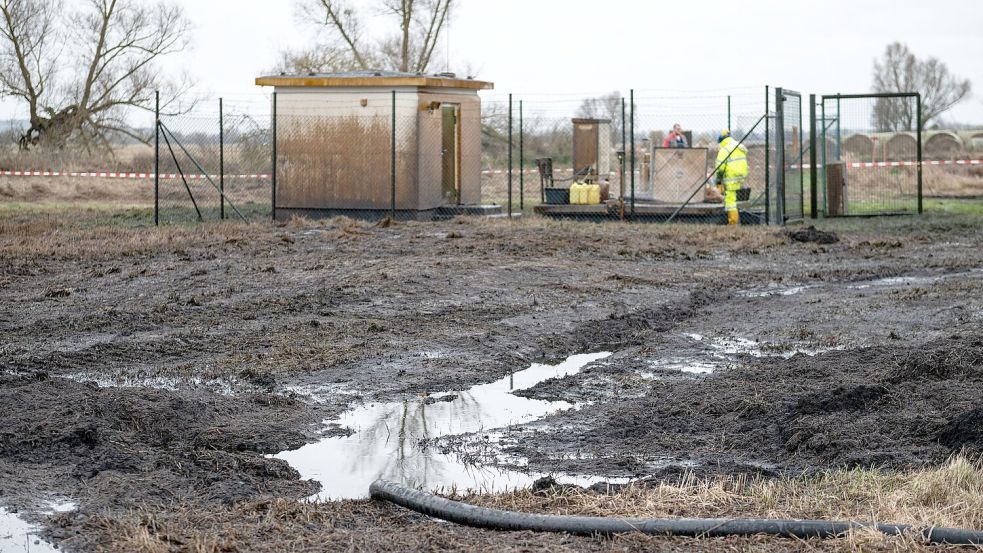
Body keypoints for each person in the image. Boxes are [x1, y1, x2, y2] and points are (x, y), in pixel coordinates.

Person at [715, 130, 748, 226]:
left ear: (721, 140)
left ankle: (733, 223)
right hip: (741, 174)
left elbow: (720, 167)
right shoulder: (738, 145)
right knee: (737, 198)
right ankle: (739, 218)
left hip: (731, 176)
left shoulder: (724, 149)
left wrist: (718, 178)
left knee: (730, 200)